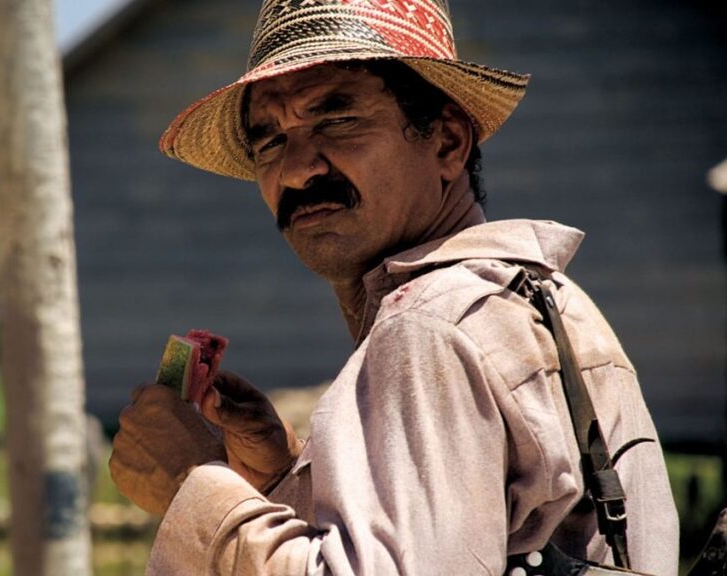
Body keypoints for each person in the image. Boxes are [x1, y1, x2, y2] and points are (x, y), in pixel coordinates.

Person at [109, 0, 679, 573]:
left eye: (337, 120)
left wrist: (192, 484)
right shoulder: (536, 295)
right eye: (271, 141)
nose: (298, 169)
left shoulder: (429, 327)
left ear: (447, 142)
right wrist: (283, 476)